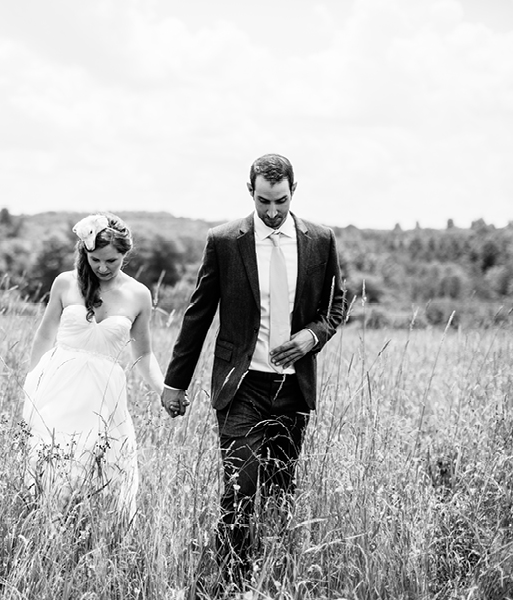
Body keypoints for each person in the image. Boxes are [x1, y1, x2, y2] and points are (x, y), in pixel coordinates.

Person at [161, 154, 345, 588]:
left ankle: (275, 578)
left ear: (293, 191)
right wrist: (175, 382)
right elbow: (199, 313)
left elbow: (335, 304)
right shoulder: (225, 240)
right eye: (264, 201)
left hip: (292, 388)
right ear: (251, 192)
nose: (273, 211)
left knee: (281, 490)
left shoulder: (321, 239)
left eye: (280, 200)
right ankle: (233, 585)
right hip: (240, 386)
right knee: (241, 488)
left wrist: (312, 336)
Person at [22, 212, 165, 520]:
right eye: (94, 259)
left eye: (111, 261)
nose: (101, 267)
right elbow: (45, 334)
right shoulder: (66, 283)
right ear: (84, 252)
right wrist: (32, 384)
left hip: (103, 394)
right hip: (59, 385)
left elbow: (143, 354)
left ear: (124, 255)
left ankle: (91, 534)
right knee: (54, 466)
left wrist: (164, 390)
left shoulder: (138, 295)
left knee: (104, 470)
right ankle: (47, 533)